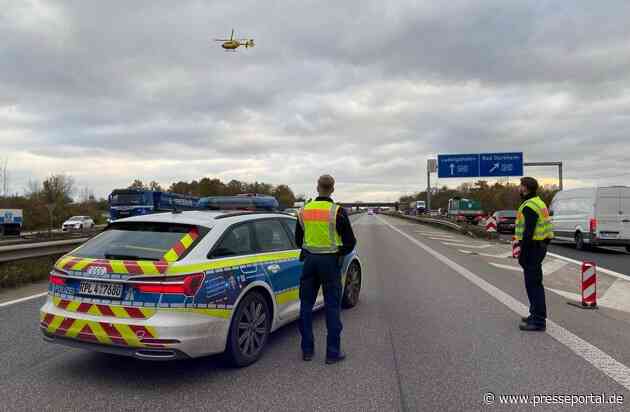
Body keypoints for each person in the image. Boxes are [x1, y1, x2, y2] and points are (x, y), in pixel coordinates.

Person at [295, 174, 356, 364]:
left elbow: (298, 241)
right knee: (331, 307)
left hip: (310, 262)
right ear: (333, 189)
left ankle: (307, 350)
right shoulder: (337, 212)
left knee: (305, 306)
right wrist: (338, 253)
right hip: (330, 263)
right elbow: (350, 242)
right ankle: (332, 353)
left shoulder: (303, 211)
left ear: (317, 187)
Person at [516, 177, 554, 331]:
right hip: (539, 246)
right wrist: (544, 243)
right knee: (534, 283)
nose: (519, 188)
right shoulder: (539, 202)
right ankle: (535, 314)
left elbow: (528, 232)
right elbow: (545, 227)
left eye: (520, 186)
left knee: (533, 285)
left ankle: (538, 321)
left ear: (525, 188)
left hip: (532, 249)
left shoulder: (529, 206)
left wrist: (522, 253)